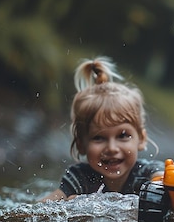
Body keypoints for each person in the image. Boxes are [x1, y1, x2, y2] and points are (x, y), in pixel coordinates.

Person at [41, 57, 164, 201]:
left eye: (123, 135)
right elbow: (41, 208)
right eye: (98, 138)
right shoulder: (81, 177)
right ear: (81, 144)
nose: (112, 148)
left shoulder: (148, 173)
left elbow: (163, 182)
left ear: (141, 139)